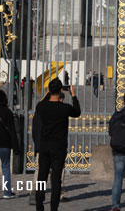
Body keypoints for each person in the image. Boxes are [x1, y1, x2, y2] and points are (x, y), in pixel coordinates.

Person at [34, 79, 81, 211]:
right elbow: (77, 112)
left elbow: (40, 104)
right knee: (56, 180)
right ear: (61, 91)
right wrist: (74, 95)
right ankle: (54, 208)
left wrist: (48, 92)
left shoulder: (42, 107)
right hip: (58, 148)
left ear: (49, 91)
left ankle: (39, 205)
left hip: (44, 146)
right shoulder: (64, 108)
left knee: (41, 178)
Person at [29, 93, 67, 206]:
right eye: (60, 99)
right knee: (58, 171)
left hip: (42, 147)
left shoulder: (40, 110)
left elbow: (35, 131)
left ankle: (35, 193)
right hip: (54, 148)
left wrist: (38, 146)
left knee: (40, 171)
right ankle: (57, 193)